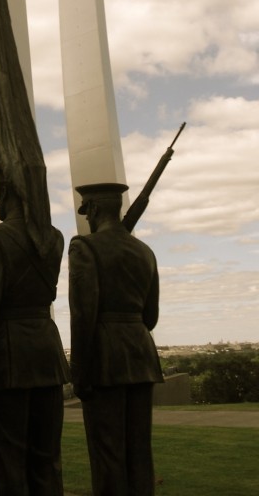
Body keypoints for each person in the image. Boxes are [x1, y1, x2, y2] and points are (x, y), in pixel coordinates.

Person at [0, 166, 69, 496]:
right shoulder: (54, 237)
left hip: (7, 363)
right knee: (46, 461)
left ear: (5, 193)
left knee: (7, 465)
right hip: (47, 357)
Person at [69, 182, 164, 496]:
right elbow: (150, 317)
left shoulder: (85, 247)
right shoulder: (145, 251)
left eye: (87, 211)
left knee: (107, 455)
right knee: (139, 452)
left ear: (93, 209)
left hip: (105, 363)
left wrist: (80, 375)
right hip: (142, 358)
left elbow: (83, 315)